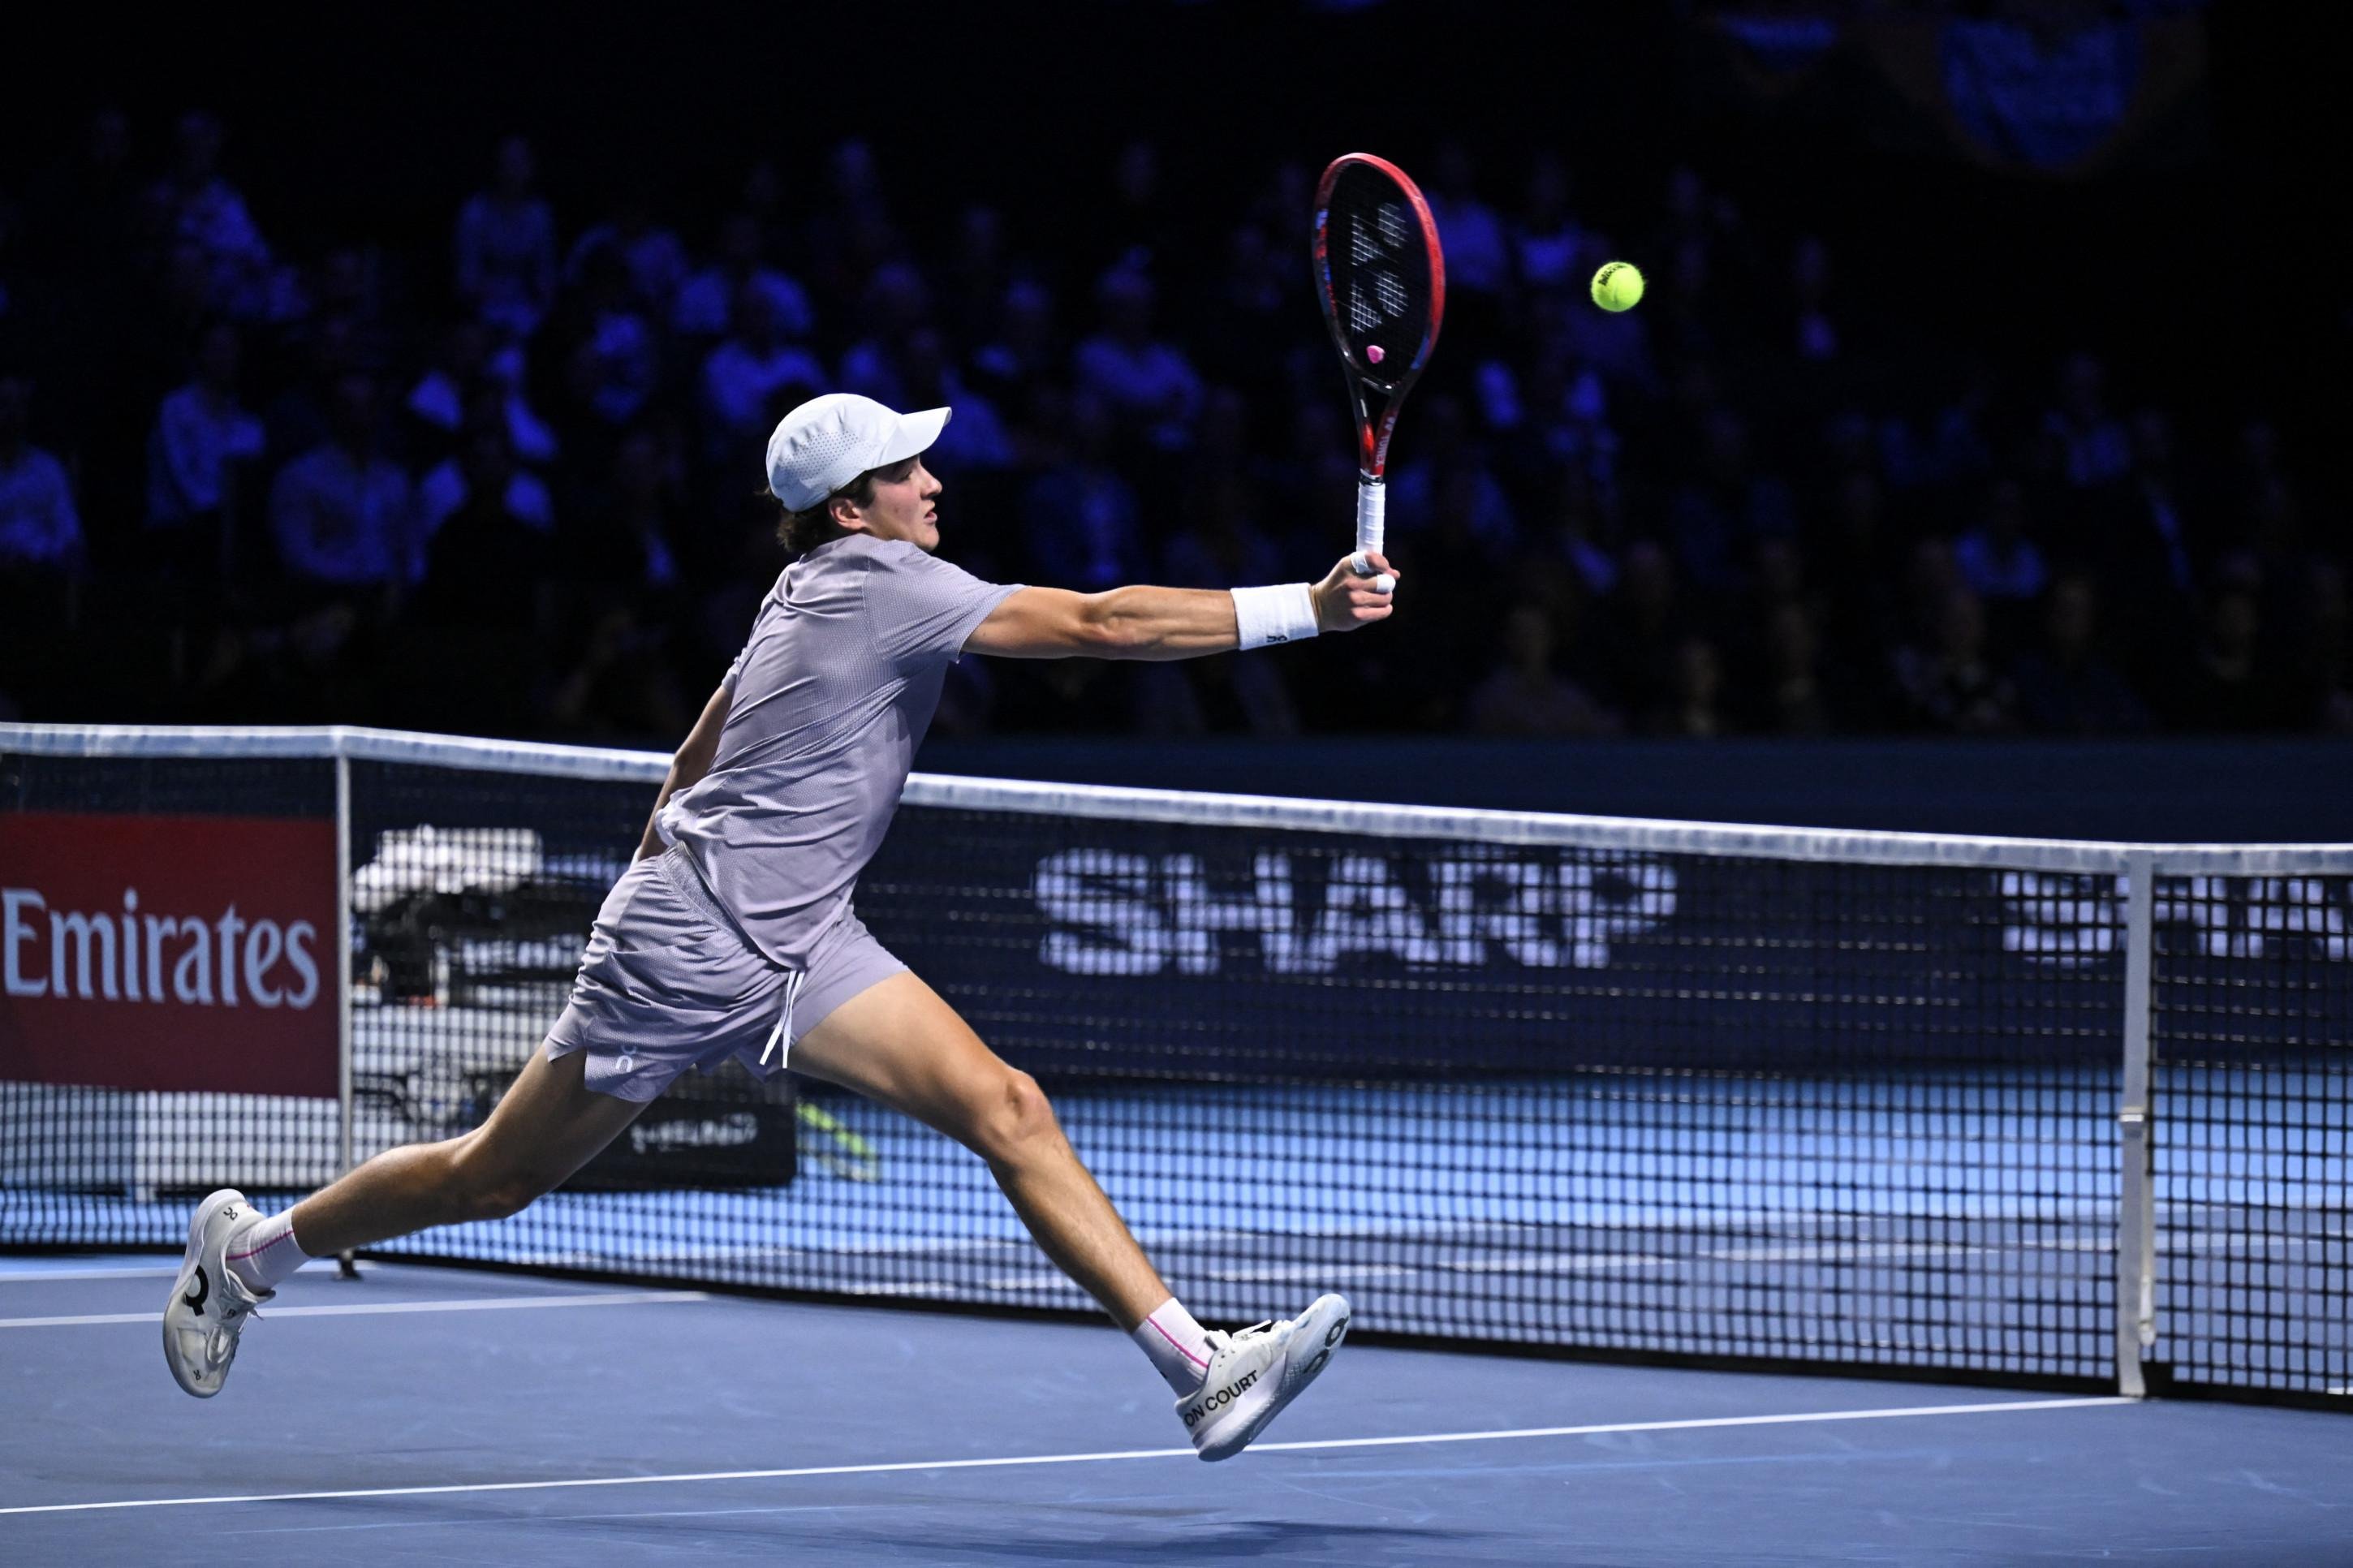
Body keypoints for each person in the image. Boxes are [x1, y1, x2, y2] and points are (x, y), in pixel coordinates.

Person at [163, 392, 1396, 1462]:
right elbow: (1104, 626)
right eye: (907, 472)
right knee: (501, 1175)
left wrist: (660, 855)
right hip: (694, 943)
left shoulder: (806, 583)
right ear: (853, 509)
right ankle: (252, 1255)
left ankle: (1201, 1372)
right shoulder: (885, 582)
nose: (935, 482)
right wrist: (1313, 609)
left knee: (1006, 1107)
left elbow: (704, 734)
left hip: (800, 938)